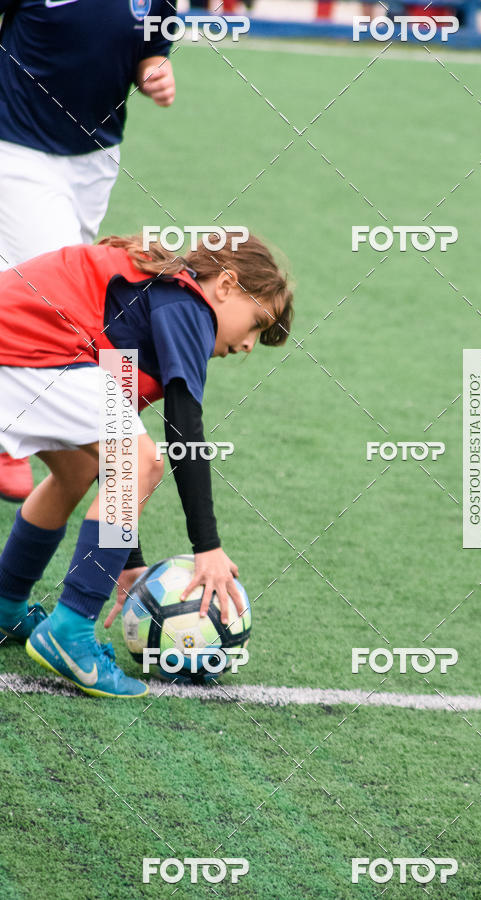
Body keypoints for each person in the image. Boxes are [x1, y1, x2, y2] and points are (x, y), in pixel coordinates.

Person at [0, 232, 294, 697]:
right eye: (257, 323)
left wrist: (128, 562)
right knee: (142, 461)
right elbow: (184, 429)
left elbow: (107, 464)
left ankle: (5, 602)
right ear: (225, 285)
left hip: (23, 350)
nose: (249, 346)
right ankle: (70, 632)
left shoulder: (145, 307)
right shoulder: (188, 306)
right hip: (23, 349)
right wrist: (208, 547)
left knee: (79, 469)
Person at [0, 0, 176, 502]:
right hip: (16, 145)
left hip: (96, 155)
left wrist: (155, 73)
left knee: (30, 281)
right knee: (52, 292)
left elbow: (151, 48)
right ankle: (9, 434)